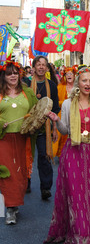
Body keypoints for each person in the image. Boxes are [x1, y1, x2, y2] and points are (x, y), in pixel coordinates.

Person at [44, 66, 90, 244]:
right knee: (76, 194)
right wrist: (56, 119)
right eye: (84, 80)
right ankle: (80, 234)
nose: (87, 84)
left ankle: (89, 230)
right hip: (74, 152)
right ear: (78, 82)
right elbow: (64, 131)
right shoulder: (68, 104)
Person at [0, 59, 37, 224]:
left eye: (15, 73)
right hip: (4, 139)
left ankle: (14, 204)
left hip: (23, 138)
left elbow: (37, 110)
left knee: (21, 173)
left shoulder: (27, 92)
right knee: (7, 173)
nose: (13, 76)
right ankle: (10, 209)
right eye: (9, 74)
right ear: (4, 76)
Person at [30, 55, 60, 200]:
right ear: (34, 67)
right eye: (38, 64)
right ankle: (26, 183)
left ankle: (45, 188)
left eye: (44, 65)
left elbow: (54, 109)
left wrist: (54, 128)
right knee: (26, 156)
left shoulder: (52, 86)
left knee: (44, 156)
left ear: (47, 68)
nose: (41, 67)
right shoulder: (25, 83)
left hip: (44, 127)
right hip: (27, 126)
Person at [52, 65, 77, 158]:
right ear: (64, 76)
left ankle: (74, 152)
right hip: (63, 113)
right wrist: (65, 102)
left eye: (71, 74)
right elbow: (55, 102)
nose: (69, 76)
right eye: (67, 74)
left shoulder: (79, 86)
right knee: (63, 135)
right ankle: (63, 153)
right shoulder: (60, 87)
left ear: (74, 75)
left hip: (76, 113)